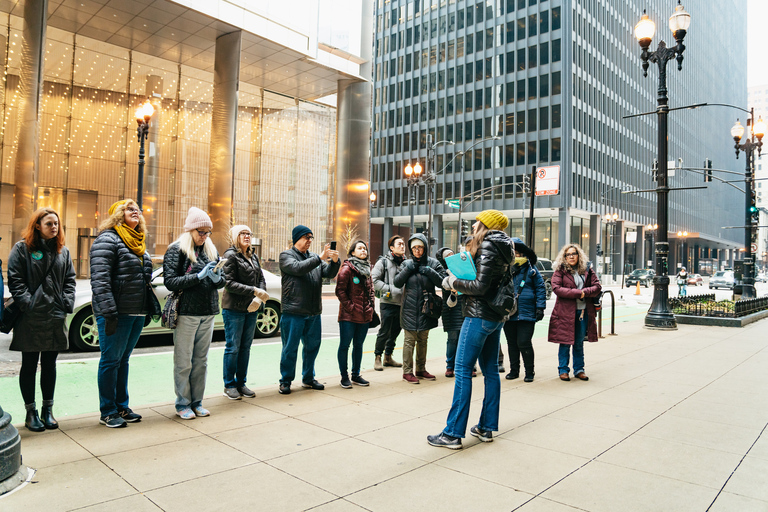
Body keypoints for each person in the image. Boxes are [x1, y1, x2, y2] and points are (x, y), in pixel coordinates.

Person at [427, 210, 514, 449]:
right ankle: (486, 428)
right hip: (494, 317)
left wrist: (453, 282)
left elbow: (480, 286)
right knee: (491, 372)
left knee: (462, 371)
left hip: (478, 316)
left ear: (486, 225)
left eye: (478, 221)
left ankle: (452, 433)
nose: (474, 225)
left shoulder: (487, 246)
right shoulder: (505, 247)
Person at [90, 200, 161, 428]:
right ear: (117, 215)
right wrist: (109, 311)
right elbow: (100, 280)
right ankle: (108, 411)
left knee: (123, 360)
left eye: (137, 210)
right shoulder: (107, 239)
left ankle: (122, 405)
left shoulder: (138, 243)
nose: (136, 212)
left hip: (136, 311)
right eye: (130, 209)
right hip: (116, 312)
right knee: (110, 361)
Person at [7, 208, 76, 432]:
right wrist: (29, 303)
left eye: (56, 223)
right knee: (29, 365)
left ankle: (48, 410)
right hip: (30, 317)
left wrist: (66, 302)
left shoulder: (62, 251)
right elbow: (15, 280)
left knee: (49, 365)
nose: (54, 227)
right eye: (49, 224)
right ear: (37, 225)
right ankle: (31, 412)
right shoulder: (22, 249)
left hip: (55, 315)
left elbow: (70, 280)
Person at [163, 207, 224, 420]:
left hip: (208, 311)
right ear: (190, 230)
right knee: (183, 361)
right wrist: (198, 277)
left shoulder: (210, 249)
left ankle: (197, 401)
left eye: (208, 232)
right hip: (187, 312)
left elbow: (222, 279)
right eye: (201, 232)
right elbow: (170, 282)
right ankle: (182, 403)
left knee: (201, 360)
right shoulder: (176, 250)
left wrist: (217, 278)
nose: (204, 236)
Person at [278, 225, 340, 394]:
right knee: (290, 348)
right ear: (296, 239)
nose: (309, 241)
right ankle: (285, 380)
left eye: (311, 238)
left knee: (312, 347)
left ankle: (308, 378)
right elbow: (298, 268)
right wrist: (320, 258)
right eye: (306, 238)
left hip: (313, 311)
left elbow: (327, 273)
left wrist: (334, 262)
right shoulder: (286, 256)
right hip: (293, 311)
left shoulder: (314, 257)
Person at [221, 224, 270, 400]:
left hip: (251, 308)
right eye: (242, 233)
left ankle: (241, 383)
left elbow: (261, 278)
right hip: (234, 309)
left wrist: (259, 297)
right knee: (233, 348)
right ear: (235, 236)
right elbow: (229, 283)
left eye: (249, 233)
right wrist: (254, 291)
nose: (247, 236)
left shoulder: (253, 255)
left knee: (245, 348)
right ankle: (229, 385)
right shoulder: (230, 255)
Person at [393, 233, 446, 384]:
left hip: (427, 307)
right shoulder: (405, 264)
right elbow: (397, 282)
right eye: (414, 248)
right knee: (409, 340)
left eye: (420, 247)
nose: (417, 250)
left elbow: (443, 282)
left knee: (423, 339)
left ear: (425, 248)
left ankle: (421, 369)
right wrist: (408, 269)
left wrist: (429, 271)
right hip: (409, 307)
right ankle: (407, 371)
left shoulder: (433, 263)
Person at [548, 243, 602, 382]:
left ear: (579, 255)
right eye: (568, 254)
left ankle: (579, 370)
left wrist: (585, 293)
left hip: (582, 312)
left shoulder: (587, 270)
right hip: (565, 313)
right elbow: (557, 289)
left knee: (578, 343)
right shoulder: (560, 271)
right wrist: (579, 293)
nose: (571, 256)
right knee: (565, 342)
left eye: (574, 254)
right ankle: (563, 370)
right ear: (564, 257)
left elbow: (597, 287)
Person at [501, 238, 547, 383]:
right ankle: (514, 370)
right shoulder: (504, 268)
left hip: (527, 312)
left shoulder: (532, 270)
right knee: (511, 343)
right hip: (509, 312)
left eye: (518, 252)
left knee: (524, 342)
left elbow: (540, 288)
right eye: (513, 252)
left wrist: (540, 307)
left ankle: (529, 371)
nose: (516, 255)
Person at [335, 240, 375, 388]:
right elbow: (340, 291)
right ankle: (344, 377)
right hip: (348, 317)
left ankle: (356, 375)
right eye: (359, 248)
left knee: (358, 345)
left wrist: (371, 306)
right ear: (352, 252)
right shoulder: (346, 269)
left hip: (364, 316)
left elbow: (371, 290)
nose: (363, 250)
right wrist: (352, 308)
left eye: (364, 248)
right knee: (345, 345)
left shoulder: (367, 270)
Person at [371, 235, 406, 371]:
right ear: (391, 247)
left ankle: (388, 356)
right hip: (388, 301)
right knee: (385, 330)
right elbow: (373, 279)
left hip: (402, 303)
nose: (402, 246)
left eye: (403, 244)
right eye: (399, 244)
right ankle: (377, 357)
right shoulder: (383, 262)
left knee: (396, 330)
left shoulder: (406, 262)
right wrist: (391, 290)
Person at [435, 247, 465, 378]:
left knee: (464, 339)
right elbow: (444, 284)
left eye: (452, 254)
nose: (451, 257)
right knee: (452, 339)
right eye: (447, 256)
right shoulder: (442, 271)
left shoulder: (461, 268)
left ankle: (465, 365)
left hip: (463, 307)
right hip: (450, 309)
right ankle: (450, 366)